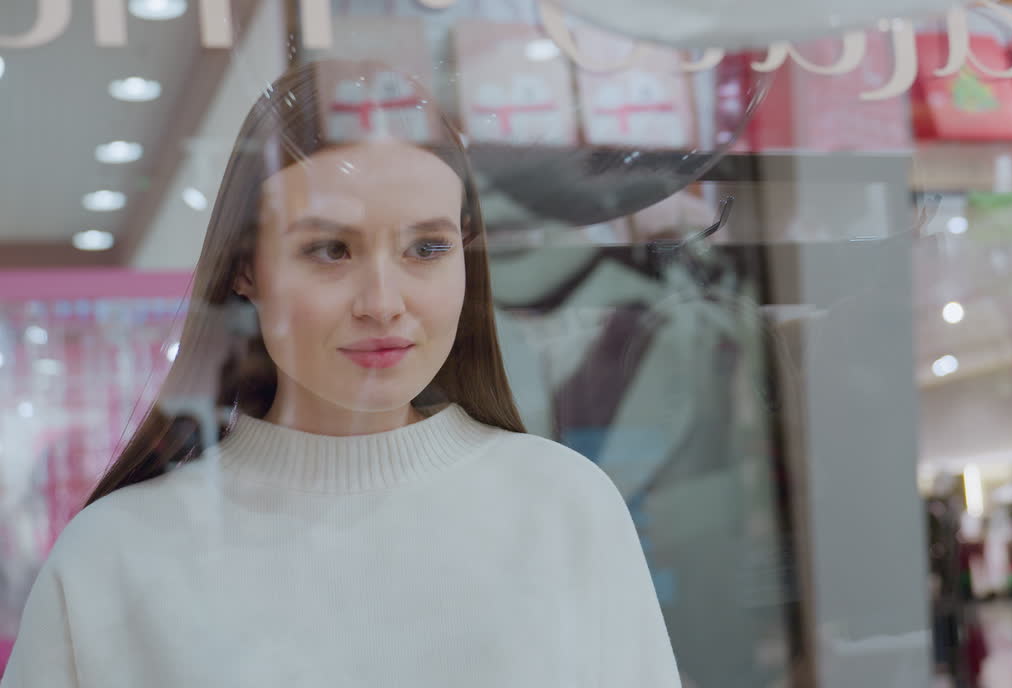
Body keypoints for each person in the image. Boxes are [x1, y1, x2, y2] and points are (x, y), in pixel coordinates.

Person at [0, 60, 681, 687]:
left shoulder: (562, 509)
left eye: (427, 248)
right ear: (245, 269)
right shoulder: (114, 560)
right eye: (330, 249)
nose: (383, 302)